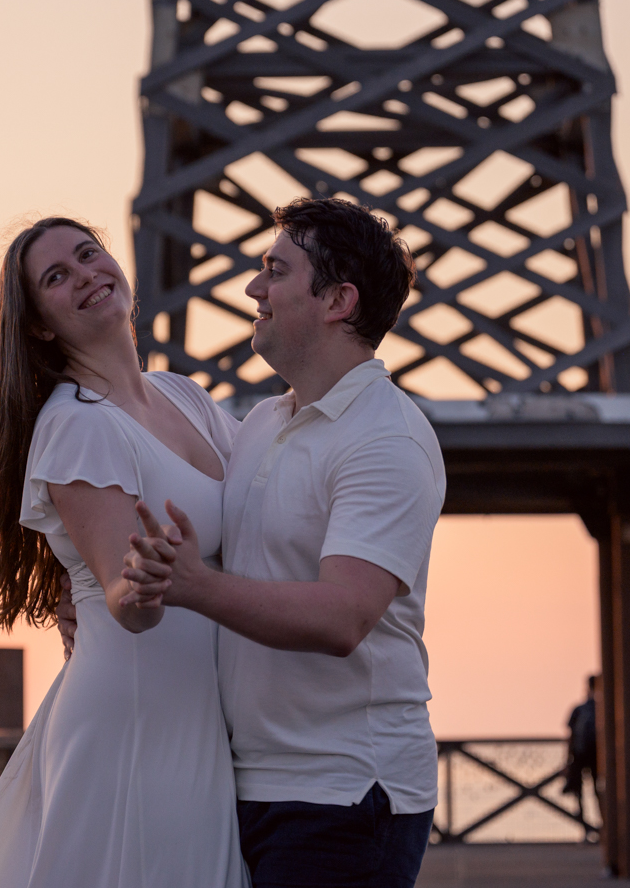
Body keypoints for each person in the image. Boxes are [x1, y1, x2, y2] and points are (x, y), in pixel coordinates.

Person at [122, 197, 446, 888]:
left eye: (274, 270)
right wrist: (112, 589)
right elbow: (231, 562)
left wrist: (194, 586)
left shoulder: (387, 438)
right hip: (247, 778)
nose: (253, 289)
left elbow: (342, 615)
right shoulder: (265, 420)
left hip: (345, 791)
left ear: (336, 300)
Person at [0, 216, 247, 888]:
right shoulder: (78, 424)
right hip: (135, 725)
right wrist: (140, 585)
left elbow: (274, 476)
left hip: (198, 716)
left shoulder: (183, 395)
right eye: (57, 277)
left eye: (90, 254)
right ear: (40, 326)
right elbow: (124, 596)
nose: (85, 273)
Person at [561, 675, 598, 823]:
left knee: (580, 792)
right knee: (598, 792)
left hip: (580, 755)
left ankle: (586, 827)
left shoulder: (579, 709)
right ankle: (602, 827)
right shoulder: (601, 709)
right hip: (594, 756)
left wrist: (567, 761)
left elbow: (570, 737)